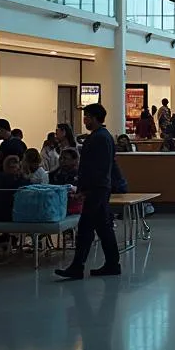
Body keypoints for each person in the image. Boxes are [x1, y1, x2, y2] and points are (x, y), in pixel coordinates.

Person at [55, 102, 120, 280]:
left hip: (96, 189)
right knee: (103, 226)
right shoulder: (103, 136)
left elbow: (95, 167)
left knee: (86, 228)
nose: (84, 120)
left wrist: (84, 189)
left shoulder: (99, 138)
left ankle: (78, 266)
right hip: (100, 187)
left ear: (94, 117)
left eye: (87, 117)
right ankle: (112, 263)